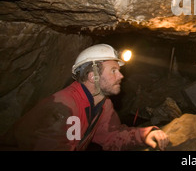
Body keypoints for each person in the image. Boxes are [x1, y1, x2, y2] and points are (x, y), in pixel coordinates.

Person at [1, 44, 169, 151]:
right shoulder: (64, 107)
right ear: (92, 76)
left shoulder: (102, 104)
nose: (121, 76)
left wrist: (144, 135)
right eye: (113, 71)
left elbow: (111, 136)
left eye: (119, 70)